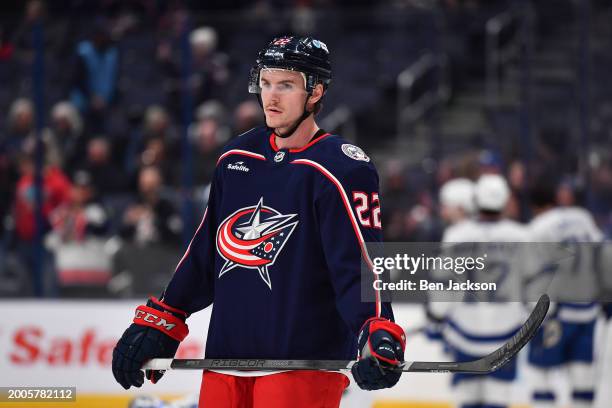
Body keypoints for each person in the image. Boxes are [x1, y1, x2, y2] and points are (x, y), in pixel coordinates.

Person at [112, 36, 406, 407]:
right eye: (265, 83)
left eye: (285, 85)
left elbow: (361, 263)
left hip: (301, 363)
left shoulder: (343, 167)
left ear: (315, 92)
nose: (271, 97)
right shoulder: (237, 157)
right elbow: (206, 252)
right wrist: (166, 315)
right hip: (226, 356)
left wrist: (377, 325)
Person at [429, 174, 531, 408]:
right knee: (498, 400)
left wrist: (436, 315)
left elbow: (444, 284)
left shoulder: (457, 234)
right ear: (505, 200)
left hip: (465, 330)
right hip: (507, 332)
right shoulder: (521, 236)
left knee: (467, 400)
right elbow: (536, 286)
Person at [527, 173, 604, 408]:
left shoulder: (540, 226)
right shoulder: (583, 217)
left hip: (555, 315)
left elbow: (532, 274)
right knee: (583, 380)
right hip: (587, 312)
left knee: (540, 375)